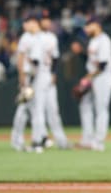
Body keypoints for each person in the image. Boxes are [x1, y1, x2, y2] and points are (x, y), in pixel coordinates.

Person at [71, 16, 111, 151]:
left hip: (103, 77)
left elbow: (102, 65)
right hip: (93, 77)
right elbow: (91, 61)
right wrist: (81, 53)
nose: (86, 29)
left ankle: (98, 142)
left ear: (96, 25)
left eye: (88, 25)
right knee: (85, 104)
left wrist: (87, 78)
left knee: (101, 109)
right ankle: (87, 140)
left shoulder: (104, 40)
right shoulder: (93, 41)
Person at [38, 14, 71, 149]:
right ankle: (41, 138)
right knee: (37, 110)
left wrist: (54, 73)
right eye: (44, 20)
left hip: (48, 74)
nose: (47, 22)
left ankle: (61, 140)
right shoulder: (34, 37)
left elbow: (55, 58)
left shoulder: (52, 37)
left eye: (48, 20)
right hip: (37, 75)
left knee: (53, 109)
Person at [10, 16, 40, 152]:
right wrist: (22, 80)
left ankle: (35, 141)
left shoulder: (36, 38)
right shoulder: (26, 38)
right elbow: (20, 59)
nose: (25, 26)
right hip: (28, 77)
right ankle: (17, 140)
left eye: (27, 23)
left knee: (31, 110)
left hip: (35, 78)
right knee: (23, 109)